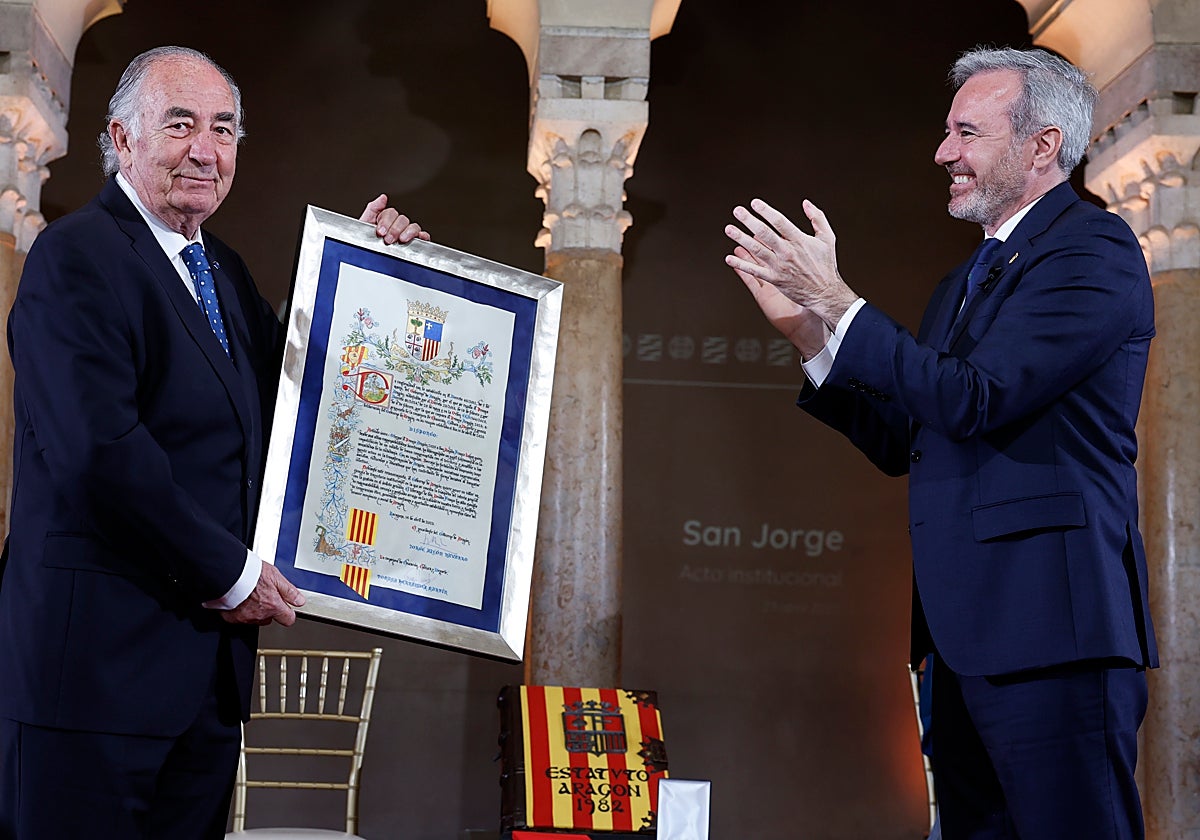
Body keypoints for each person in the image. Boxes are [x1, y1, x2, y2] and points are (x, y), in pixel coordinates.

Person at [725, 46, 1156, 839]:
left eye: (966, 132)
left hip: (1051, 636)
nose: (942, 153)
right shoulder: (962, 283)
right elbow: (909, 439)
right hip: (959, 646)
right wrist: (812, 334)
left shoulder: (1094, 251)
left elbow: (975, 399)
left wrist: (841, 300)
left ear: (1041, 146)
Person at [0, 45, 428, 839]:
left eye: (225, 129)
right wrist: (235, 575)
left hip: (201, 689)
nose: (207, 149)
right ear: (123, 141)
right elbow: (101, 453)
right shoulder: (75, 256)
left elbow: (306, 412)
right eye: (182, 124)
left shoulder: (222, 273)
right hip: (90, 683)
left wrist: (372, 276)